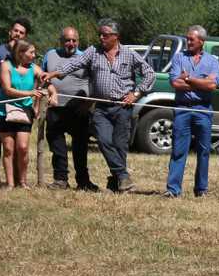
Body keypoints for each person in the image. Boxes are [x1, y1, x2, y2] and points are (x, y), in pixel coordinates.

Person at [45, 18, 153, 193]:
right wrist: (56, 73)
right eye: (100, 34)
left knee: (120, 146)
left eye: (105, 35)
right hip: (101, 108)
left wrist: (136, 94)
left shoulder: (129, 54)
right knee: (103, 141)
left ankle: (116, 182)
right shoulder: (93, 51)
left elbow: (149, 74)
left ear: (115, 36)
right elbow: (75, 63)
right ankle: (123, 176)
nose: (101, 37)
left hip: (123, 107)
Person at [165, 25, 219, 197]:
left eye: (191, 39)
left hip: (203, 109)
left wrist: (187, 79)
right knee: (178, 150)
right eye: (187, 39)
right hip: (182, 109)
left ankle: (201, 189)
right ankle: (173, 189)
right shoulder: (179, 58)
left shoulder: (212, 61)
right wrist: (200, 82)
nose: (188, 42)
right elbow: (175, 83)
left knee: (203, 151)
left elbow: (212, 85)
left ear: (201, 42)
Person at [43, 27, 95, 191]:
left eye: (74, 40)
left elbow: (95, 82)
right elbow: (42, 75)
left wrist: (87, 104)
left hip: (78, 109)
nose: (71, 43)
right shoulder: (50, 55)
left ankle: (83, 181)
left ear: (78, 42)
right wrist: (49, 90)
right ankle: (60, 179)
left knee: (80, 148)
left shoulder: (85, 57)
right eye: (67, 40)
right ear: (60, 41)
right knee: (57, 146)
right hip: (55, 107)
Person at [0, 18, 31, 187]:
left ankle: (18, 179)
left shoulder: (27, 52)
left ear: (25, 36)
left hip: (21, 108)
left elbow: (33, 73)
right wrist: (7, 75)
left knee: (19, 146)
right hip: (0, 104)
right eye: (15, 30)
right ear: (10, 31)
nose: (17, 34)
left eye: (21, 32)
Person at [0, 40, 45, 188]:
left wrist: (45, 77)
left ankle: (23, 182)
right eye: (31, 52)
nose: (34, 55)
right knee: (8, 149)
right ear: (21, 53)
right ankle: (10, 183)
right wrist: (30, 93)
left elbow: (43, 78)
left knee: (23, 148)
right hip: (5, 112)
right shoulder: (6, 66)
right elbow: (7, 89)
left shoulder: (34, 68)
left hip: (25, 113)